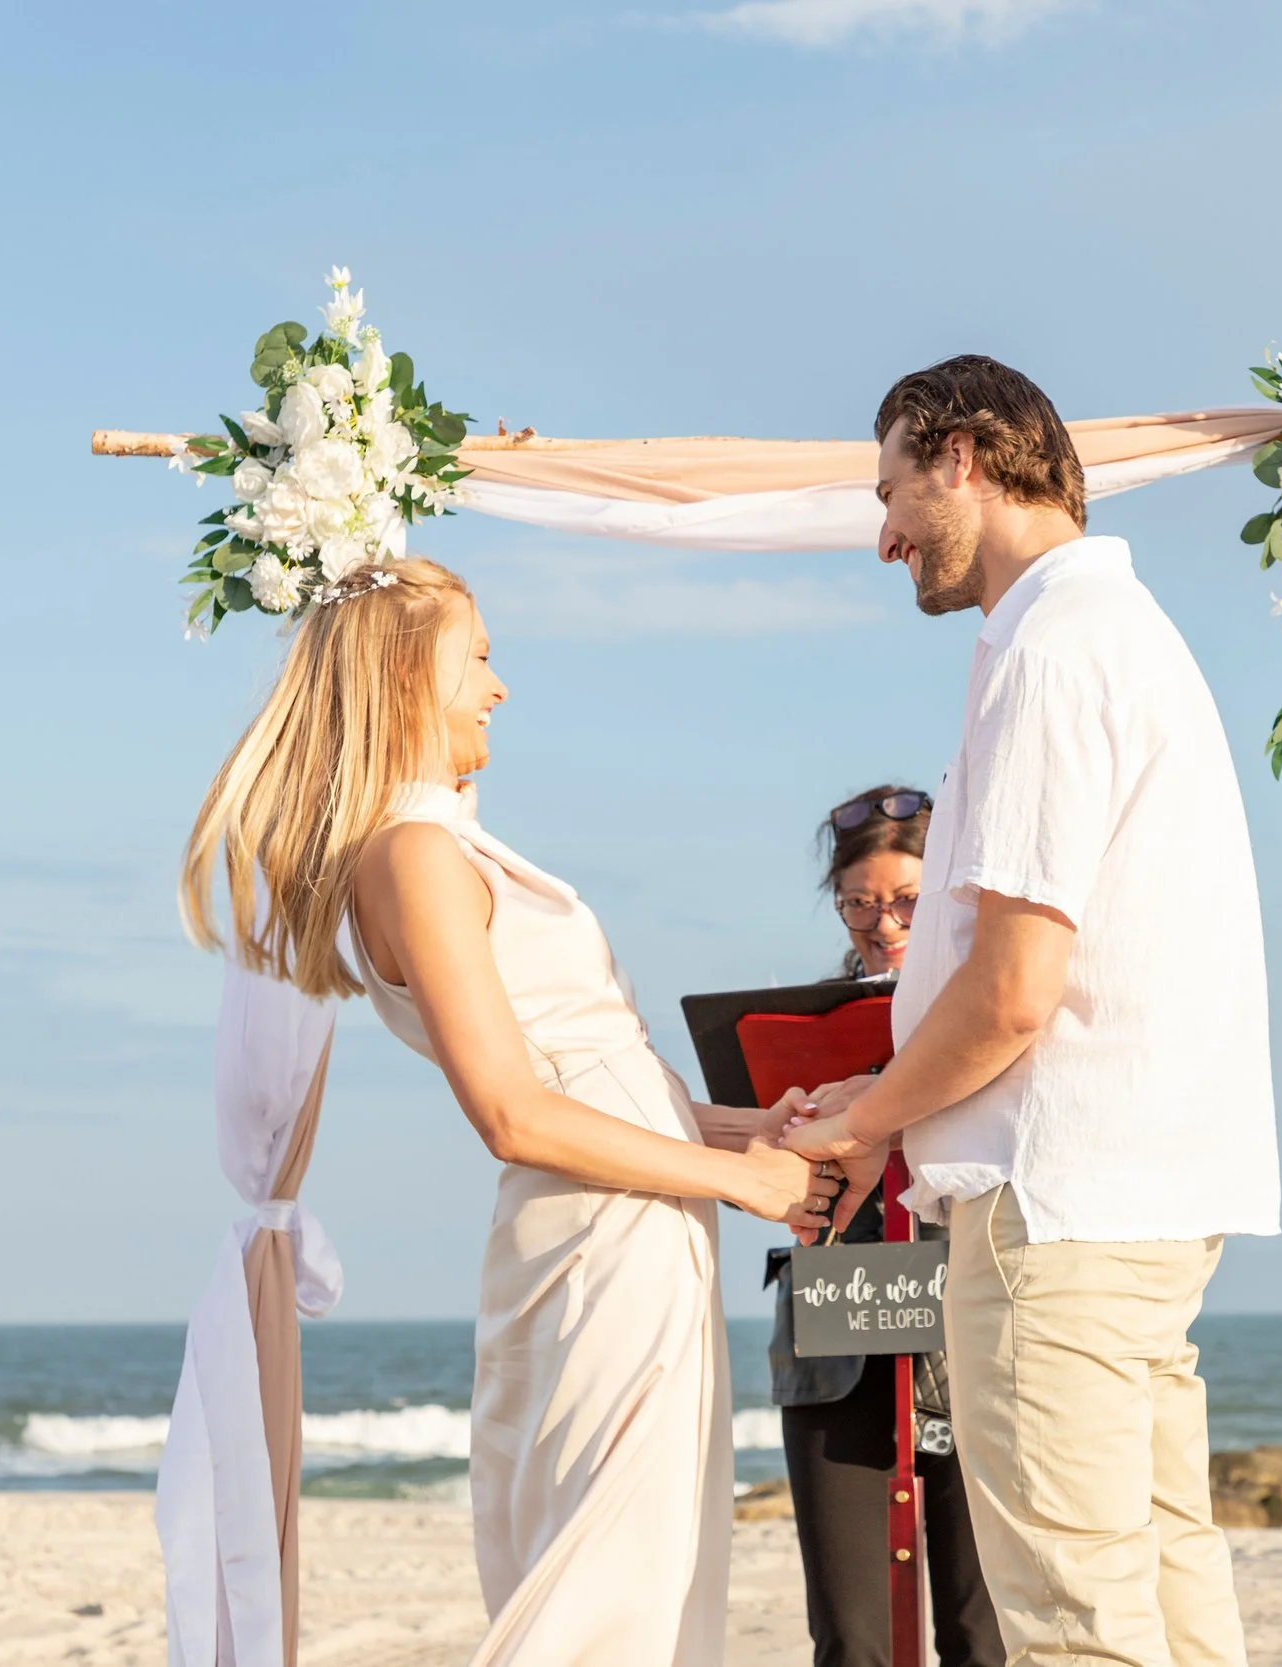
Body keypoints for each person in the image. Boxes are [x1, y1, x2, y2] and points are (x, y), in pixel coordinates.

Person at [182, 558, 835, 1666]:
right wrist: (743, 1179)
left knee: (648, 1575)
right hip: (601, 1236)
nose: (498, 686)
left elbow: (598, 1073)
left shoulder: (436, 844)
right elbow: (511, 1109)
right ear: (403, 676)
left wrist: (745, 1131)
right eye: (476, 656)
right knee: (605, 1593)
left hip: (631, 1217)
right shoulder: (413, 853)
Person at [786, 358, 1280, 1667]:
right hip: (1139, 1201)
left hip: (1055, 1209)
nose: (884, 531)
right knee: (1169, 1591)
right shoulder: (1120, 635)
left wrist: (867, 1123)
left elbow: (1013, 987)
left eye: (888, 488)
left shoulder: (1051, 653)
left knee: (1076, 1627)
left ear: (959, 458)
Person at [765, 787, 1004, 1667]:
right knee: (854, 1637)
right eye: (860, 901)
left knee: (986, 1633)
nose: (883, 921)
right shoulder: (804, 1023)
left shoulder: (994, 1018)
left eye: (905, 899)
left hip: (973, 1325)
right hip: (838, 1332)